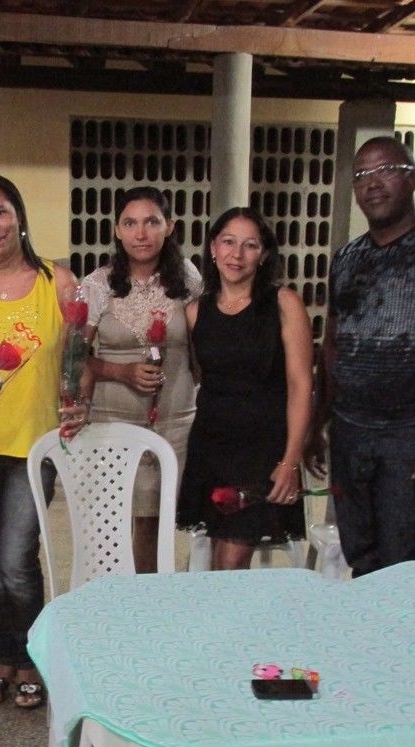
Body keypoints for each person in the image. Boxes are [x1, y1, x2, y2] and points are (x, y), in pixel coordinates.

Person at [0, 172, 81, 709]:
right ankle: (4, 654)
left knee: (16, 559)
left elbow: (78, 359)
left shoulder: (60, 282)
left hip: (35, 449)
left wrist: (80, 398)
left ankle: (31, 658)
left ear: (19, 214)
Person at [177, 206, 313, 570]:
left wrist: (289, 461)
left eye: (250, 245)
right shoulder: (194, 312)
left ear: (264, 253)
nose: (237, 255)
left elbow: (301, 385)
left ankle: (226, 626)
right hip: (211, 446)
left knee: (230, 563)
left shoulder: (284, 304)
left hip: (262, 451)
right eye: (228, 242)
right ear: (212, 249)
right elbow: (198, 374)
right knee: (216, 559)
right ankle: (223, 626)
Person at [305, 136, 415, 575]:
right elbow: (332, 343)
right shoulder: (346, 259)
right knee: (361, 557)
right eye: (362, 175)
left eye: (386, 170)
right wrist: (318, 423)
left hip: (406, 437)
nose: (373, 183)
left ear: (410, 178)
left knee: (403, 567)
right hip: (349, 435)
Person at [80, 186, 202, 572]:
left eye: (152, 221)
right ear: (117, 230)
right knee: (110, 525)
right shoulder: (97, 284)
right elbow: (74, 357)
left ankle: (150, 605)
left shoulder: (188, 279)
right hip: (112, 424)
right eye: (130, 223)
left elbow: (203, 350)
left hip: (174, 422)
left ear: (170, 227)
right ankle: (115, 606)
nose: (141, 233)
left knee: (156, 523)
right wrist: (121, 371)